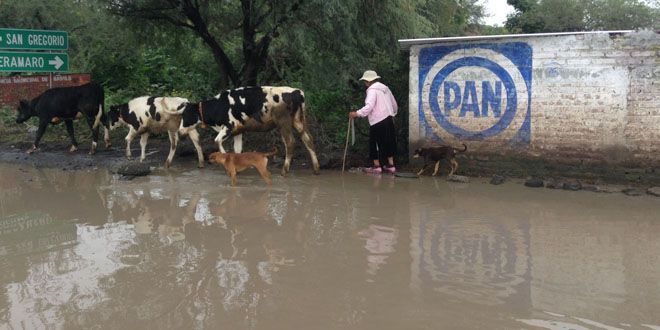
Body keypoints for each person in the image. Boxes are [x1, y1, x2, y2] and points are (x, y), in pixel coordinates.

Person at [349, 70, 398, 174]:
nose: (365, 83)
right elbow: (394, 104)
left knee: (374, 143)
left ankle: (376, 166)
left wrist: (357, 113)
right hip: (389, 118)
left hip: (378, 121)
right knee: (389, 141)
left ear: (368, 81)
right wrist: (392, 113)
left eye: (365, 81)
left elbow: (369, 106)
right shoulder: (385, 89)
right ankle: (391, 165)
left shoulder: (371, 90)